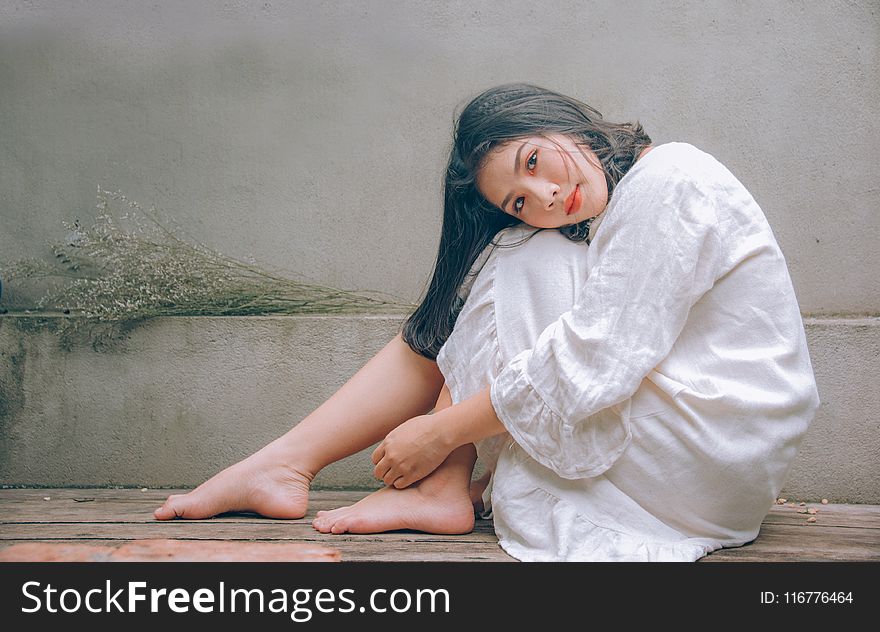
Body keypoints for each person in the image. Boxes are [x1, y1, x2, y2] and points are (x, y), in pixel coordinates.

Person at [155, 83, 820, 561]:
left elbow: (591, 365)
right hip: (711, 462)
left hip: (705, 460)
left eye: (534, 162)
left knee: (517, 257)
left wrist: (437, 433)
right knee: (522, 249)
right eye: (520, 199)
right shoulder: (626, 205)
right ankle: (295, 465)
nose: (549, 196)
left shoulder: (671, 180)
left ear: (565, 125)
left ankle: (373, 476)